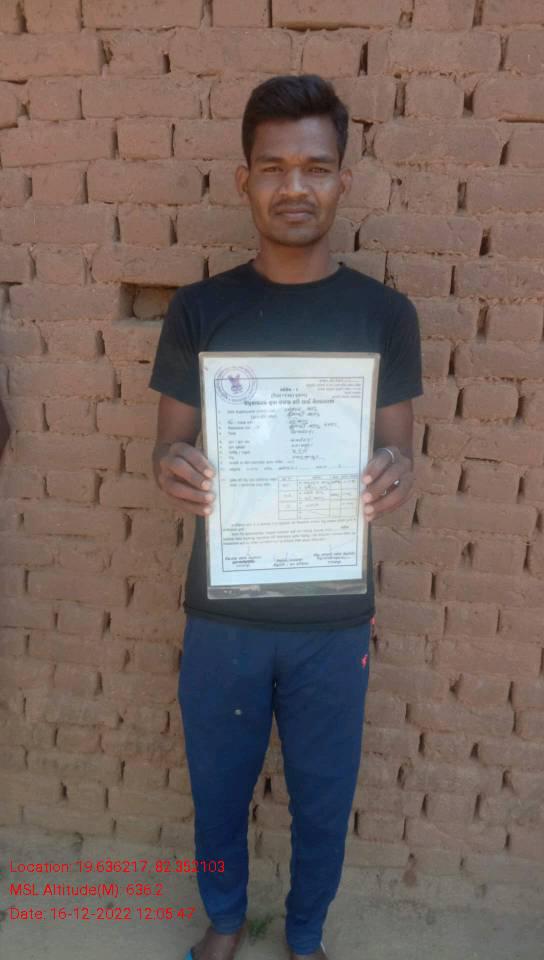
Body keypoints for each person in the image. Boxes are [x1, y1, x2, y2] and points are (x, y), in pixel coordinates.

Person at [149, 75, 423, 960]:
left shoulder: (384, 315)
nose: (293, 186)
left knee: (323, 796)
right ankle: (226, 923)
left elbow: (400, 451)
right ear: (245, 181)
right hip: (223, 612)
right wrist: (173, 465)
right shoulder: (200, 310)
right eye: (273, 167)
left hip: (333, 617)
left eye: (315, 166)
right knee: (217, 790)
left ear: (343, 179)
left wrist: (394, 473)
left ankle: (305, 936)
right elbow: (168, 445)